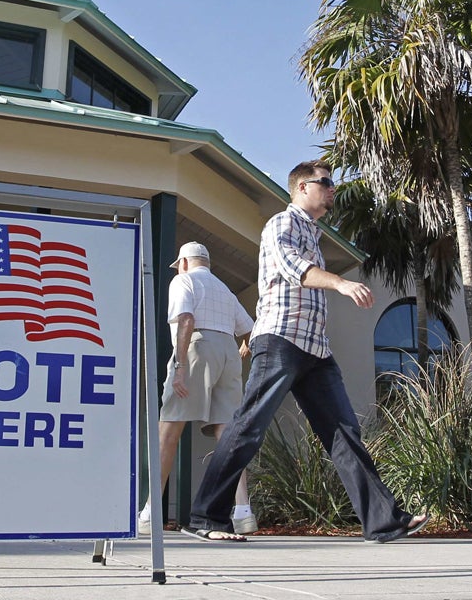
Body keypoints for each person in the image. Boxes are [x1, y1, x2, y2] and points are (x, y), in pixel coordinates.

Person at [182, 161, 429, 543]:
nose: (332, 190)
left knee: (345, 434)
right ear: (300, 188)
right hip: (281, 340)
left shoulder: (313, 233)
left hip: (315, 350)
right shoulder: (283, 223)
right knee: (248, 426)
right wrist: (341, 284)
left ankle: (383, 521)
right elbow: (296, 268)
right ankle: (205, 517)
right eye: (325, 183)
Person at [139, 241, 257, 536]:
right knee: (228, 434)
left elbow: (186, 319)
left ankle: (151, 512)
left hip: (197, 348)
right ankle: (243, 511)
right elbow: (250, 330)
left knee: (169, 430)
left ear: (185, 262)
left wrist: (180, 366)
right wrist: (242, 348)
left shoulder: (183, 280)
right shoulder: (225, 290)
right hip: (228, 353)